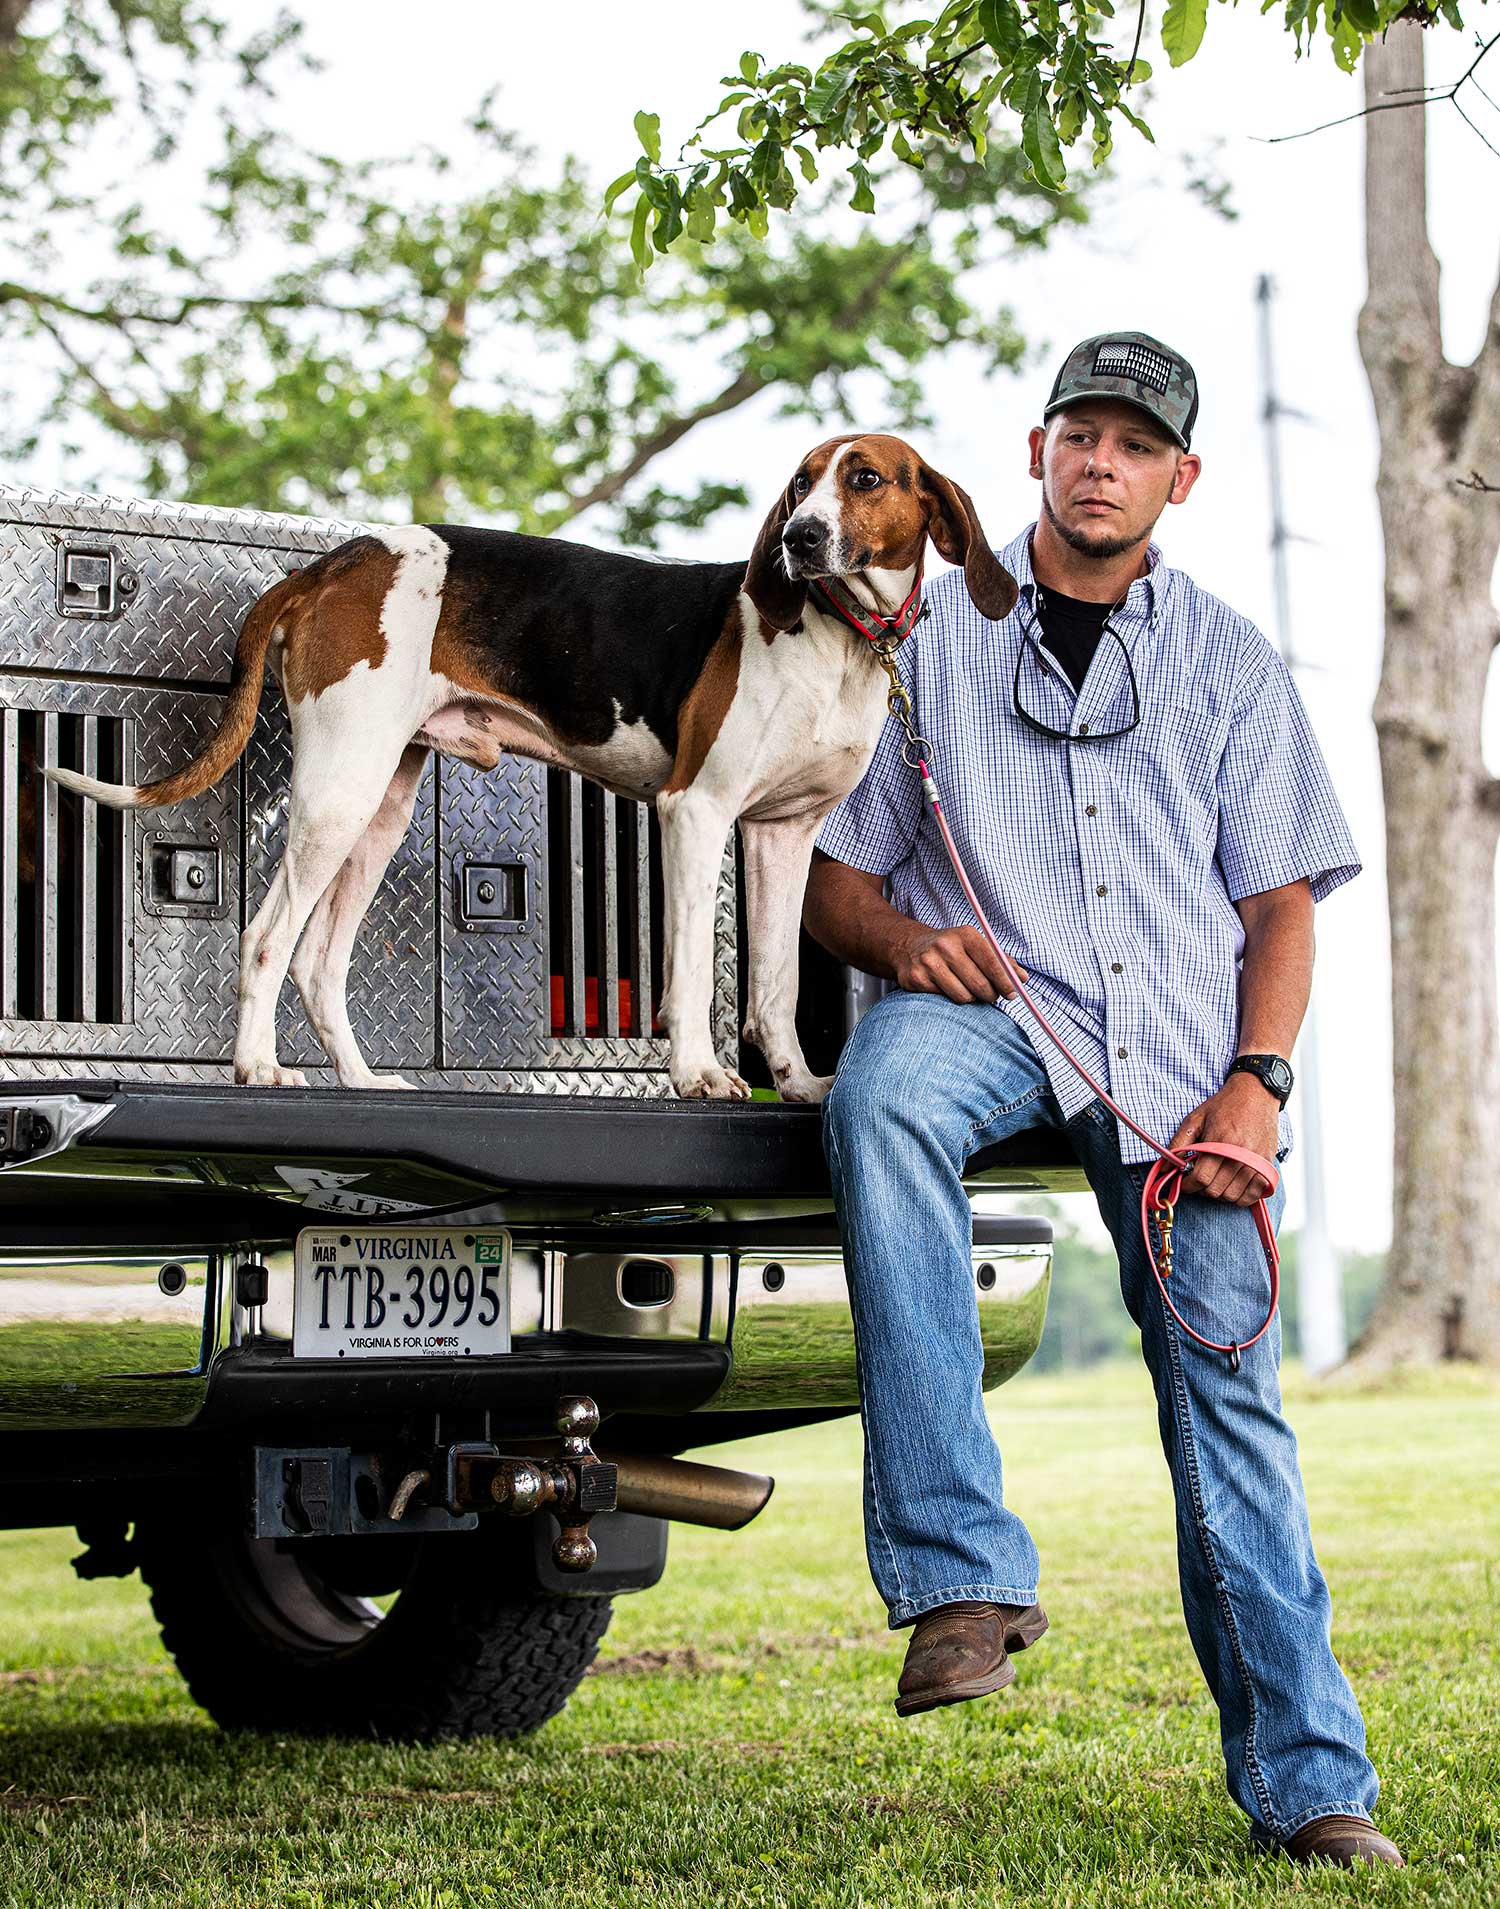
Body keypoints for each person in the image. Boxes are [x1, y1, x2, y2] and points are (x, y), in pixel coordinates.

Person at [806, 332, 1401, 1869]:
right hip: (995, 1009)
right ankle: (960, 1577)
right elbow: (834, 878)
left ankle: (1312, 1781)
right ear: (1034, 451)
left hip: (1184, 1063)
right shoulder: (922, 638)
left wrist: (1257, 1089)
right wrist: (899, 940)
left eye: (1135, 445)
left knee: (1230, 1411)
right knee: (881, 1094)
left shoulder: (1227, 660)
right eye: (1081, 433)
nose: (1101, 462)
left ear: (1177, 480)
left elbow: (1282, 908)